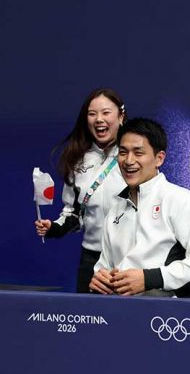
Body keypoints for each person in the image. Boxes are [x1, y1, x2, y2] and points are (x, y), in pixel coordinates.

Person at [90, 118, 190, 297]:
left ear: (159, 158)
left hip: (171, 310)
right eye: (123, 152)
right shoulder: (114, 211)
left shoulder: (181, 200)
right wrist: (100, 277)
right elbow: (105, 266)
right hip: (120, 308)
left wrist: (150, 279)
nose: (128, 161)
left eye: (138, 153)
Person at [35, 88, 127, 293]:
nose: (99, 119)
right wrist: (53, 228)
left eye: (106, 112)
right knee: (89, 313)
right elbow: (73, 213)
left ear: (121, 116)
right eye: (92, 114)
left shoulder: (133, 156)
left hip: (130, 257)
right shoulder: (77, 159)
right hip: (91, 259)